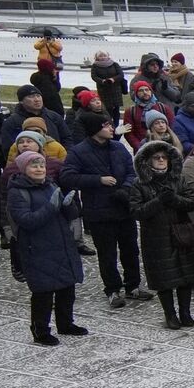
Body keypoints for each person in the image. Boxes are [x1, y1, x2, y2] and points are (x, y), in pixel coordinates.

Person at [59, 112, 147, 309]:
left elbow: (132, 171)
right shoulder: (78, 152)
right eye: (106, 125)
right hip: (98, 211)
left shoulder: (118, 147)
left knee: (131, 250)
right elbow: (67, 177)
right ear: (95, 129)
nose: (111, 128)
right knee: (107, 254)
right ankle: (112, 289)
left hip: (123, 208)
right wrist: (98, 180)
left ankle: (133, 285)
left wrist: (126, 188)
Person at [7, 150, 88, 346]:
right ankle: (40, 330)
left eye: (41, 165)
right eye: (34, 166)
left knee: (67, 287)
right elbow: (27, 221)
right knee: (43, 292)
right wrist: (51, 207)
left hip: (61, 244)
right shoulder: (17, 192)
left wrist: (68, 206)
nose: (39, 169)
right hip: (37, 248)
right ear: (24, 169)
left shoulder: (51, 185)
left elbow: (69, 215)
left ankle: (66, 323)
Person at [127, 139, 194, 329]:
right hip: (156, 237)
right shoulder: (139, 184)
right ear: (148, 161)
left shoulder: (178, 179)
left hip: (181, 232)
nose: (161, 160)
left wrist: (174, 199)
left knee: (186, 275)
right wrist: (159, 201)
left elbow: (192, 202)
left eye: (164, 157)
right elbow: (137, 212)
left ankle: (185, 313)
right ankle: (170, 315)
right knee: (164, 279)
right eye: (157, 157)